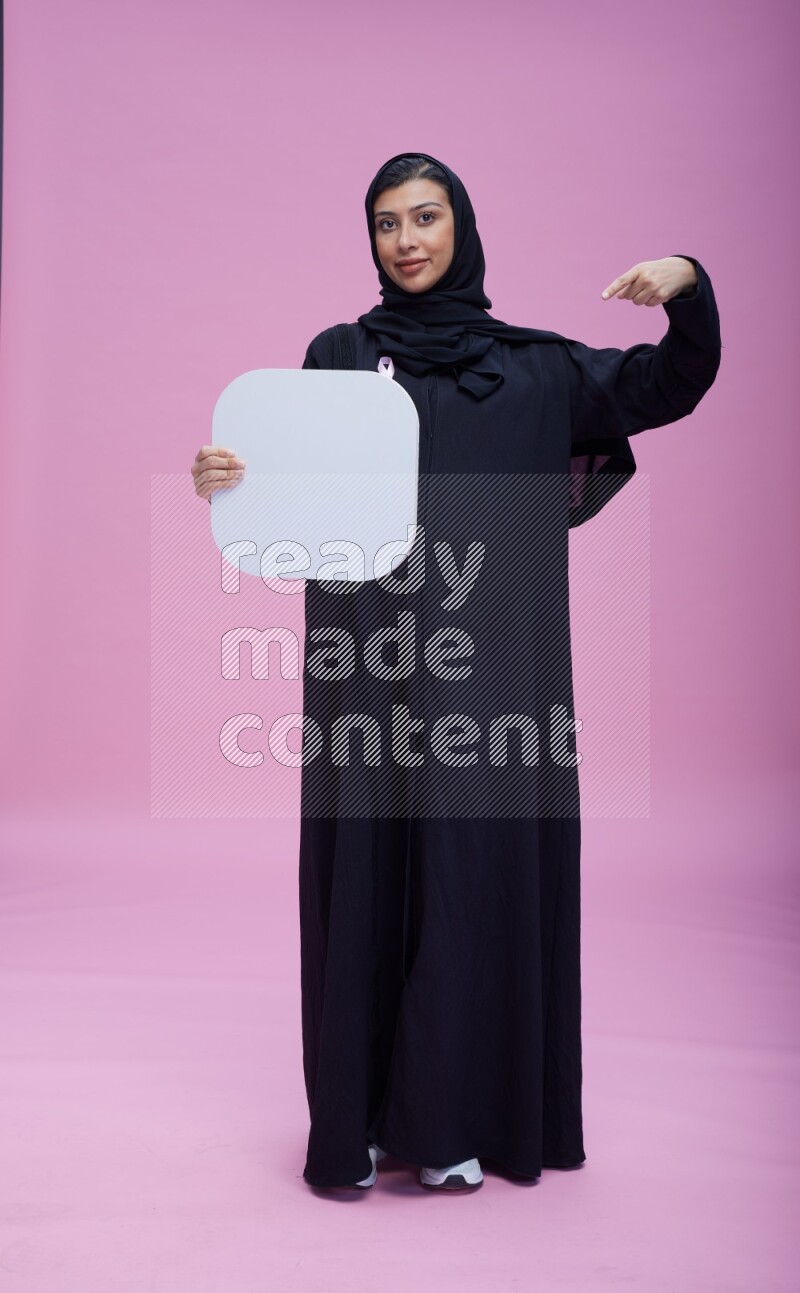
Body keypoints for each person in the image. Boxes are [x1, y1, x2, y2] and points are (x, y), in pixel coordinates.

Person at [192, 152, 721, 1194]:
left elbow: (670, 383)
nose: (407, 240)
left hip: (491, 685)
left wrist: (689, 286)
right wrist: (230, 477)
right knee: (373, 881)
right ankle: (372, 1119)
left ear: (460, 226)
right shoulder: (337, 357)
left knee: (471, 880)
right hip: (369, 673)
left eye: (425, 217)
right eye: (387, 222)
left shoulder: (532, 371)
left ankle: (456, 1119)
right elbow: (292, 490)